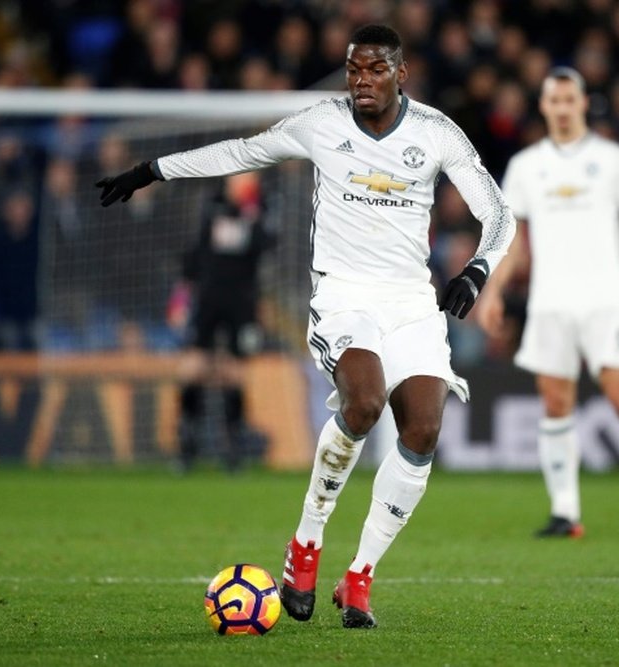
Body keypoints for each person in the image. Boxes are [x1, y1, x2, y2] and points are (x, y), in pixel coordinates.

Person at [96, 24, 515, 628]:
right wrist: (152, 170)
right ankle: (306, 544)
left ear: (402, 74)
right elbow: (242, 151)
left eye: (374, 70)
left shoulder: (435, 132)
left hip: (410, 302)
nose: (361, 81)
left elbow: (498, 212)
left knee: (423, 429)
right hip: (343, 296)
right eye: (353, 70)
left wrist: (477, 270)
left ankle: (360, 577)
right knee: (365, 403)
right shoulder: (322, 122)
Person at [476, 67, 619, 539]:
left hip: (606, 299)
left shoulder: (612, 160)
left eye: (569, 100)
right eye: (554, 101)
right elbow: (515, 240)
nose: (562, 108)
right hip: (550, 302)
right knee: (555, 400)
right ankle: (565, 510)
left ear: (583, 103)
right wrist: (494, 289)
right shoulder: (526, 166)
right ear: (543, 107)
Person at [177, 172, 276, 471]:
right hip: (208, 300)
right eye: (240, 179)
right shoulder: (211, 207)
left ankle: (233, 445)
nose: (245, 184)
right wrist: (179, 301)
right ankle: (187, 442)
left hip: (241, 303)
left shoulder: (262, 211)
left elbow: (266, 246)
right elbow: (193, 257)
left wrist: (252, 215)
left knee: (234, 370)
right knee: (193, 366)